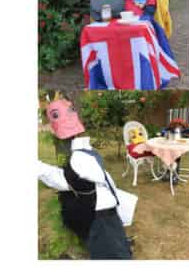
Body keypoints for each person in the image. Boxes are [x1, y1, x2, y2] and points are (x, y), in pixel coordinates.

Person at [37, 96, 133, 259]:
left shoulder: (79, 158)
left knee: (111, 255)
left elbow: (64, 180)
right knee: (118, 249)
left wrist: (37, 166)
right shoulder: (89, 151)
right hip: (105, 214)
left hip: (99, 217)